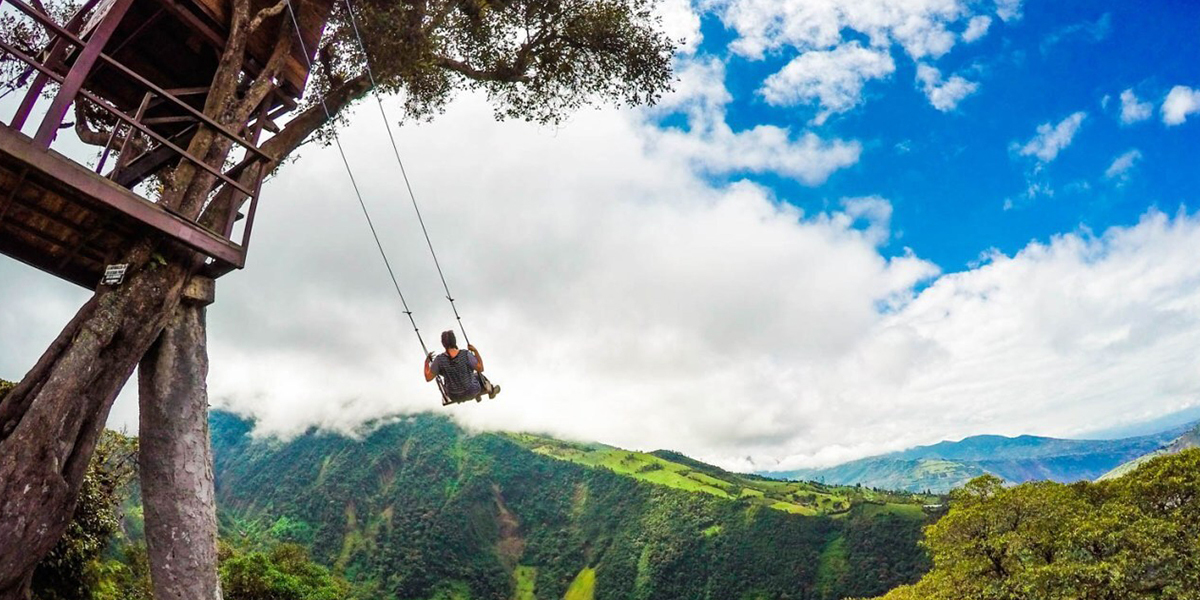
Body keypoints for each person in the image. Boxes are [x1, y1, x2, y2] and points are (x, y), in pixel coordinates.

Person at [424, 330, 500, 403]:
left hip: (454, 396)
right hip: (472, 391)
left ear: (443, 344)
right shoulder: (465, 354)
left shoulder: (439, 360)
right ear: (454, 341)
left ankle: (478, 395)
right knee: (478, 376)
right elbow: (481, 368)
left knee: (461, 377)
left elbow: (428, 378)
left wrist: (426, 362)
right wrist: (475, 351)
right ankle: (491, 391)